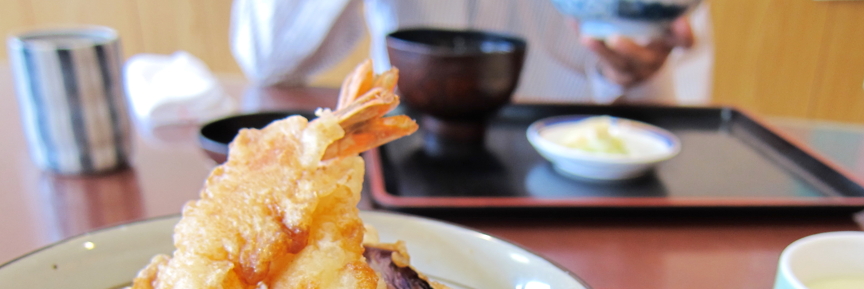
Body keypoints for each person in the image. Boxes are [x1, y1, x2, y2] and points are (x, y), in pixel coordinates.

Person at [230, 0, 713, 104]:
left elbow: (673, 91)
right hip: (404, 153)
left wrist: (638, 66)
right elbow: (269, 60)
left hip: (570, 170)